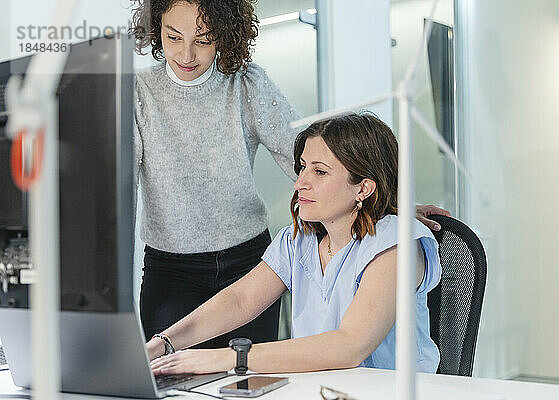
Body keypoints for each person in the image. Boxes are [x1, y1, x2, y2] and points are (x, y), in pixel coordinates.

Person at [130, 0, 449, 350]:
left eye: (203, 40)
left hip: (246, 259)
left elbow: (305, 154)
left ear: (224, 36)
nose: (186, 54)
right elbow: (119, 191)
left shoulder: (247, 85)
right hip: (172, 267)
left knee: (245, 380)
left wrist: (385, 203)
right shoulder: (137, 94)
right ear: (156, 31)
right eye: (174, 37)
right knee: (171, 372)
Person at [147, 113, 442, 374]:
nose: (300, 182)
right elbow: (240, 301)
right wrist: (163, 343)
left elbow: (350, 345)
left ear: (363, 187)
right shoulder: (297, 240)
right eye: (302, 168)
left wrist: (225, 358)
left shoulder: (396, 244)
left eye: (320, 172)